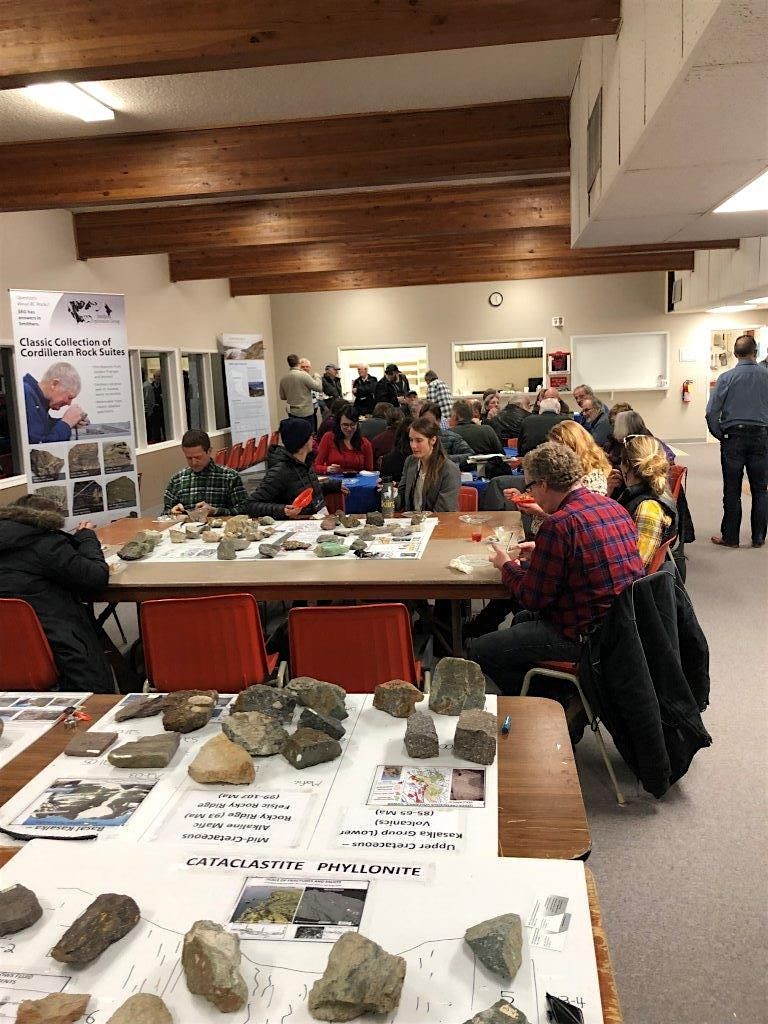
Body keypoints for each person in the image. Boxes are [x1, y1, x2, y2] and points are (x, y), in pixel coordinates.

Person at [467, 442, 644, 695]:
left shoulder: (559, 525)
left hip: (585, 635)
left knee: (481, 649)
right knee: (521, 620)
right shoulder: (613, 507)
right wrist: (541, 553)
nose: (530, 494)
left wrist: (505, 565)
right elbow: (584, 560)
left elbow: (532, 598)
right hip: (622, 627)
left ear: (543, 484)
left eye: (529, 487)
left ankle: (552, 700)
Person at [0, 494, 114, 692]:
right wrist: (86, 538)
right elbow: (95, 577)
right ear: (48, 521)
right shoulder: (45, 544)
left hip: (9, 651)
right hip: (58, 652)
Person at [706, 333, 768, 548]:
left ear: (734, 353)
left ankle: (731, 537)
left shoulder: (726, 378)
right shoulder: (766, 375)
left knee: (732, 489)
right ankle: (758, 538)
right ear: (755, 352)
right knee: (760, 489)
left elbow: (712, 412)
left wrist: (720, 434)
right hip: (761, 435)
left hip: (733, 437)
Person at [247, 417, 344, 520]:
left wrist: (331, 486)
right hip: (300, 525)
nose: (313, 439)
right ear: (304, 441)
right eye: (311, 435)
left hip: (316, 520)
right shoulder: (280, 471)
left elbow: (304, 489)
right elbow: (250, 505)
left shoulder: (307, 463)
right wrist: (282, 510)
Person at [616, 435, 678, 570]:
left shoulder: (648, 508)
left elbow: (638, 565)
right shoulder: (656, 491)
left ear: (626, 467)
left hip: (632, 580)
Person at [163, 429, 248, 516]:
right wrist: (171, 512)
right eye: (189, 458)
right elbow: (164, 513)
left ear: (209, 451)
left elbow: (244, 509)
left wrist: (216, 511)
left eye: (198, 457)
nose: (194, 462)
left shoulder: (230, 477)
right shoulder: (177, 480)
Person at [394, 416, 460, 512]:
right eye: (411, 440)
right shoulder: (410, 461)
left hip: (438, 520)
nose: (413, 445)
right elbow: (401, 502)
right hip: (413, 520)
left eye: (419, 440)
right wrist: (390, 492)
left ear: (433, 440)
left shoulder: (449, 469)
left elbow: (443, 512)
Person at [23, 362, 87, 444]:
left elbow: (42, 428)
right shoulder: (26, 393)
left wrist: (72, 421)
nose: (69, 403)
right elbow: (38, 446)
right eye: (69, 397)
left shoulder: (36, 400)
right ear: (54, 384)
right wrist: (66, 423)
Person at [314, 403, 374, 474]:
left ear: (357, 424)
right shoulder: (328, 437)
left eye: (352, 425)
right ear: (339, 424)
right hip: (333, 479)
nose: (349, 428)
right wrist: (327, 469)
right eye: (345, 425)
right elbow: (315, 466)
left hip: (358, 480)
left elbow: (369, 471)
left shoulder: (365, 443)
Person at [419, 401, 473, 467]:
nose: (425, 424)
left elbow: (470, 455)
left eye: (429, 421)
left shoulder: (451, 438)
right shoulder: (413, 438)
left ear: (438, 421)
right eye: (422, 421)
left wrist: (444, 459)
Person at [279, 354, 318, 428]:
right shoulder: (305, 376)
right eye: (303, 367)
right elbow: (319, 387)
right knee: (307, 431)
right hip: (305, 413)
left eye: (307, 366)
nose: (305, 368)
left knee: (297, 430)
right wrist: (317, 377)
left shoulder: (283, 378)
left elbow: (283, 396)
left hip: (297, 411)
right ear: (299, 365)